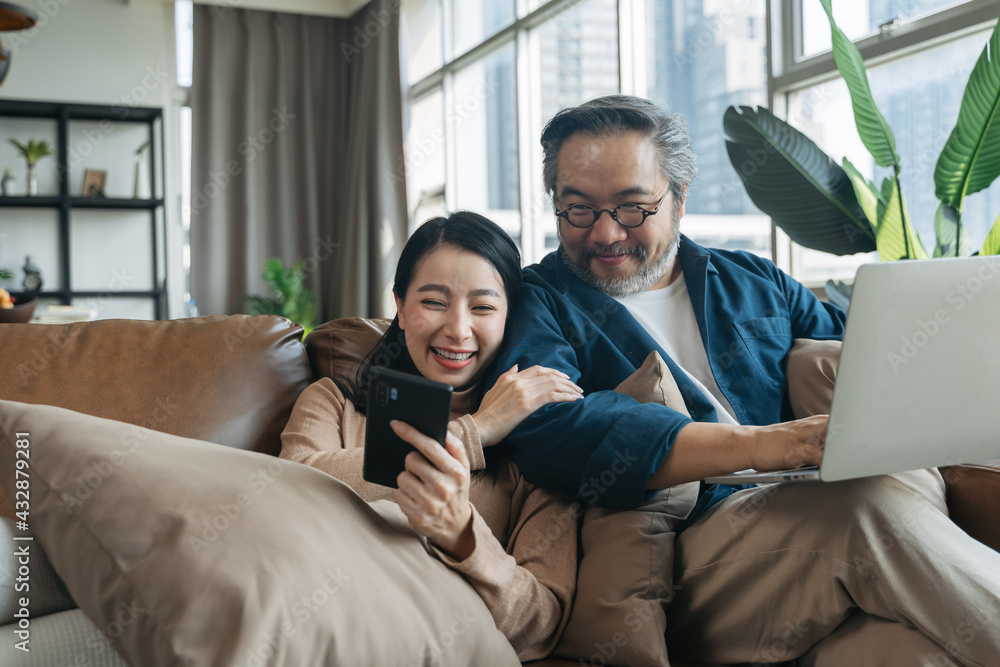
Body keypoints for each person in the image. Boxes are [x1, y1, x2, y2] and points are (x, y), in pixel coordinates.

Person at [489, 95, 1000, 665]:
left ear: (679, 199)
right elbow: (550, 426)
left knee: (912, 650)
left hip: (802, 548)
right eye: (577, 209)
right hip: (688, 556)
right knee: (862, 509)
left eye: (632, 207)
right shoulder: (538, 301)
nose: (606, 234)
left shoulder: (752, 279)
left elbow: (871, 355)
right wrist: (768, 445)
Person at [279, 211, 585, 662]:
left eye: (482, 307)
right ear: (400, 307)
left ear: (509, 318)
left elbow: (539, 625)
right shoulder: (334, 402)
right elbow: (288, 495)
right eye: (434, 302)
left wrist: (463, 537)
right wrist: (475, 431)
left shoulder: (540, 441)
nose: (458, 329)